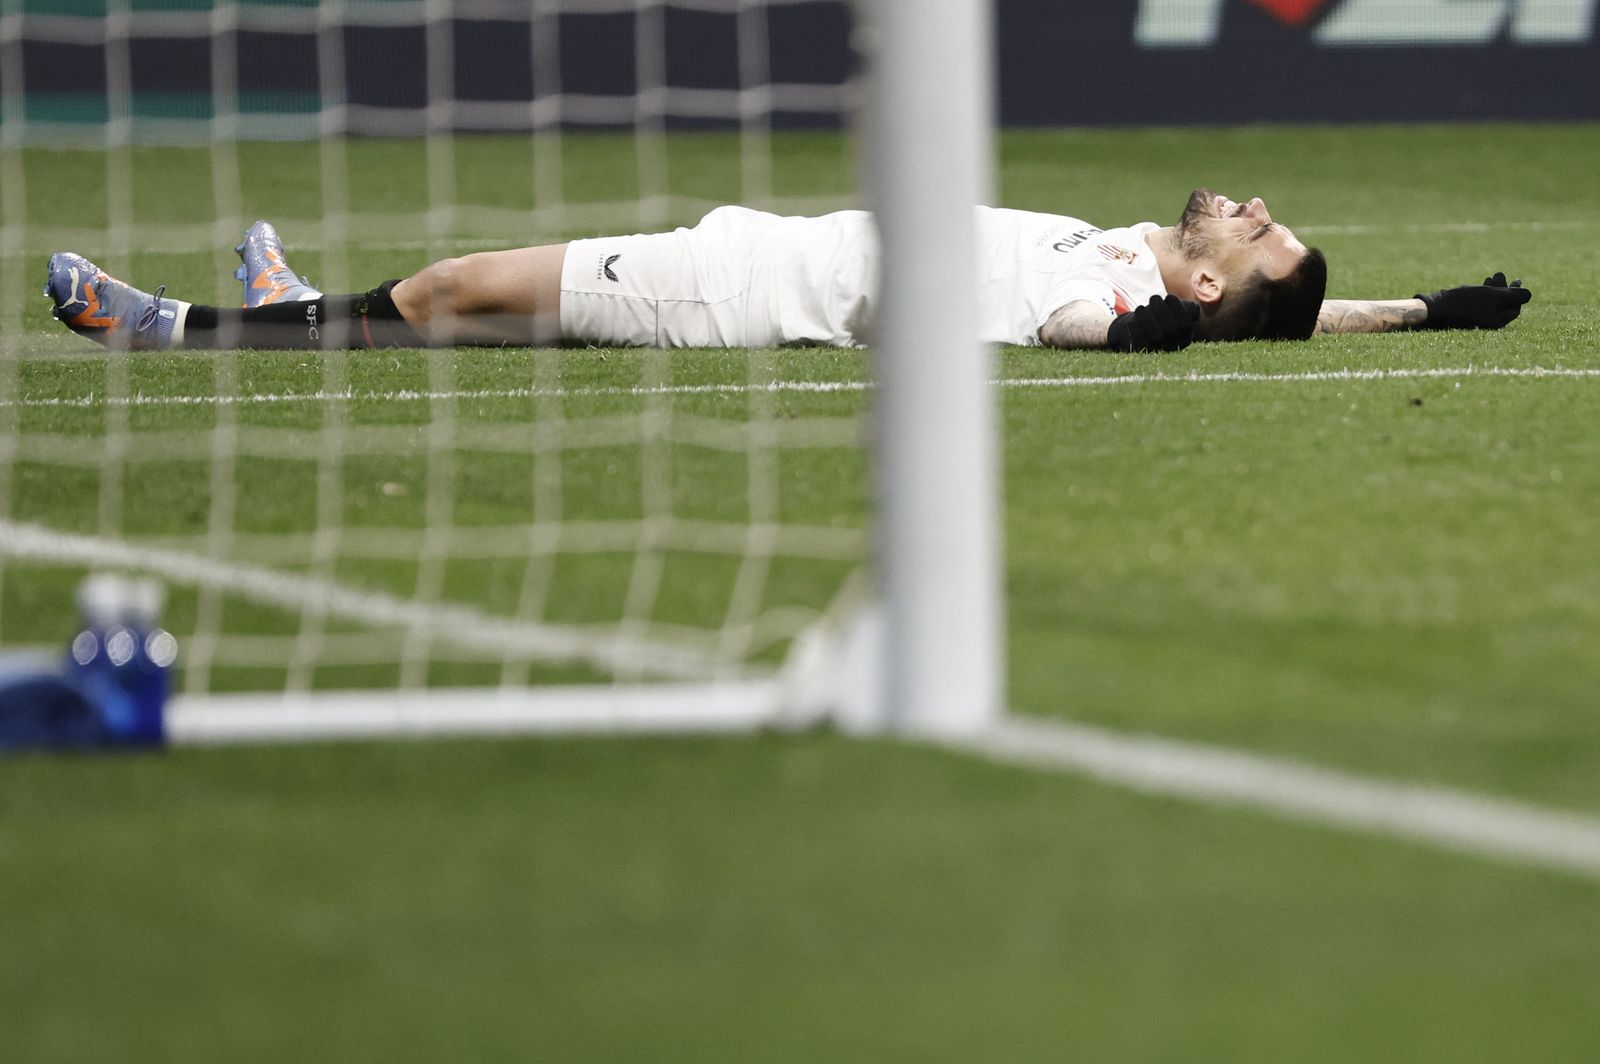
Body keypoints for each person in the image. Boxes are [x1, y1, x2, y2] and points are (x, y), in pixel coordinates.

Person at [42, 188, 1531, 354]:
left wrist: (1152, 345)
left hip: (727, 299)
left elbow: (1091, 333)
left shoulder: (1113, 301)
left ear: (1207, 288)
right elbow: (1281, 321)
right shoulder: (1139, 247)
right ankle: (288, 303)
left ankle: (176, 333)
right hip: (741, 253)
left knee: (444, 290)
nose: (1251, 208)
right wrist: (1424, 308)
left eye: (1256, 233)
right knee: (451, 313)